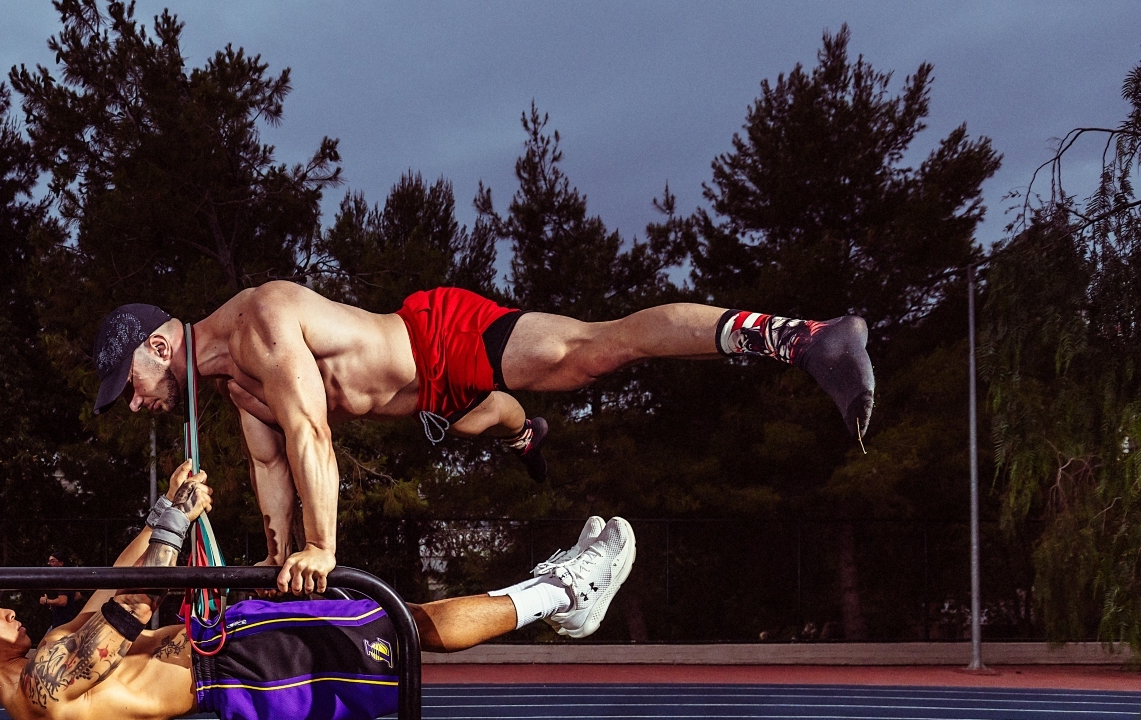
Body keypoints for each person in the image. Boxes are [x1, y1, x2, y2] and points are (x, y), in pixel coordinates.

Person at [90, 284, 872, 593]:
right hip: (428, 399)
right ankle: (525, 434)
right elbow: (269, 468)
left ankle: (806, 340)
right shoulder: (230, 383)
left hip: (437, 340)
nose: (133, 405)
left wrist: (321, 549)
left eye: (129, 387)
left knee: (593, 352)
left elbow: (309, 439)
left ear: (158, 348)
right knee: (489, 418)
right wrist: (272, 557)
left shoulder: (258, 322)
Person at [0, 464, 635, 720]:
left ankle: (555, 590)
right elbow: (126, 611)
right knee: (403, 625)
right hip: (246, 671)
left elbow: (111, 580)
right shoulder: (39, 691)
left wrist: (168, 507)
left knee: (394, 611)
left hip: (226, 640)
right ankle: (564, 591)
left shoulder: (40, 655)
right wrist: (172, 526)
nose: (5, 609)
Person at [38, 554, 82, 631]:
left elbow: (62, 601)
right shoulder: (69, 577)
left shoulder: (61, 580)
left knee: (47, 641)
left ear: (61, 563)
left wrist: (46, 601)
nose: (49, 564)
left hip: (61, 623)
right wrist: (55, 603)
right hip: (70, 621)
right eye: (49, 561)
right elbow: (77, 596)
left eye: (52, 561)